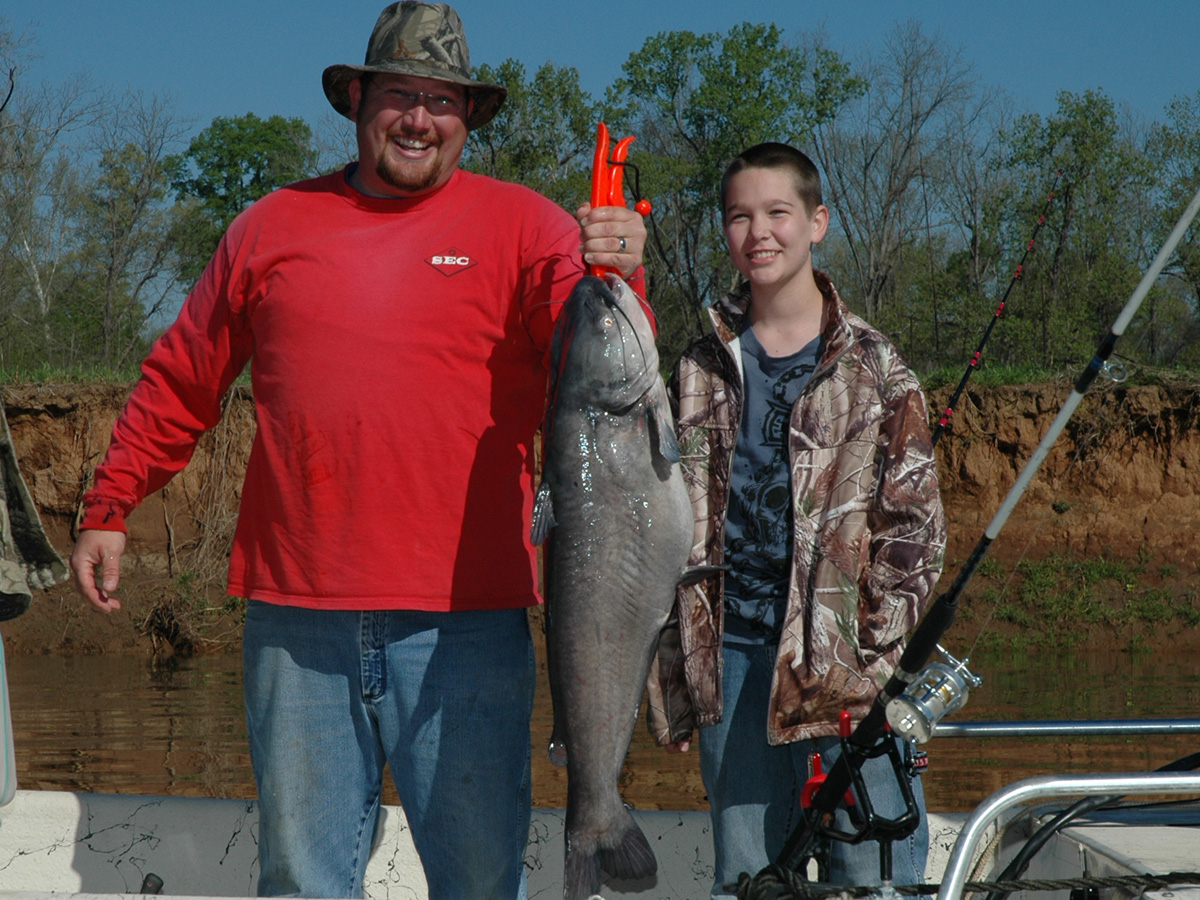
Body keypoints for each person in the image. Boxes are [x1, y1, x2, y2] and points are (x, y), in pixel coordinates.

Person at [68, 3, 648, 898]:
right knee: (301, 881)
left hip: (469, 625)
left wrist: (619, 266)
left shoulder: (529, 229)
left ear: (467, 119)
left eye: (441, 101)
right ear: (358, 102)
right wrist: (111, 504)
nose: (419, 118)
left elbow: (601, 354)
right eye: (398, 95)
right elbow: (184, 377)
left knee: (482, 883)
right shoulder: (268, 227)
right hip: (297, 624)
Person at [645, 143, 946, 897]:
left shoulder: (878, 367)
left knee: (870, 880)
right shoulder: (696, 368)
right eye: (740, 216)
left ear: (817, 222)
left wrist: (870, 660)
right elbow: (668, 529)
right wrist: (676, 681)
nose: (760, 232)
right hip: (734, 663)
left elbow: (914, 536)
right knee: (748, 882)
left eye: (778, 212)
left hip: (849, 676)